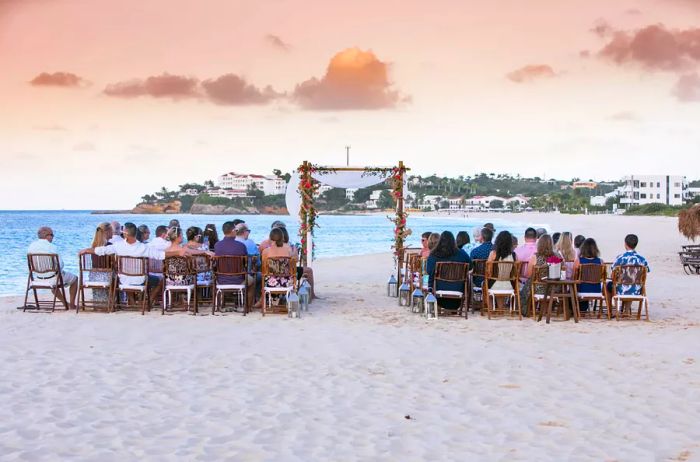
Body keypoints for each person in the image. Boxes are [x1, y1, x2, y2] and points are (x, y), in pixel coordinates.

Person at [80, 223, 185, 305]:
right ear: (135, 234)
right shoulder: (143, 247)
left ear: (125, 234)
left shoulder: (118, 246)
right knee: (161, 280)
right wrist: (178, 252)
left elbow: (101, 250)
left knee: (126, 277)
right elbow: (160, 255)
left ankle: (132, 300)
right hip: (140, 280)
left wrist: (86, 250)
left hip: (124, 280)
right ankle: (149, 301)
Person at [27, 226, 78, 309]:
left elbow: (29, 264)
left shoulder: (31, 246)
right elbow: (60, 265)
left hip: (38, 279)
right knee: (75, 279)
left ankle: (65, 303)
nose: (52, 237)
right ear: (47, 236)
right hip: (53, 279)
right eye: (52, 235)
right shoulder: (52, 247)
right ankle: (71, 304)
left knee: (55, 279)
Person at [426, 231, 471, 310]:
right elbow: (470, 266)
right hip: (458, 293)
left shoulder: (434, 254)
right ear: (454, 241)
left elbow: (429, 271)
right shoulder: (462, 254)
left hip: (439, 294)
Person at [214, 221, 255, 307]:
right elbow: (245, 263)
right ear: (233, 231)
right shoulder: (241, 246)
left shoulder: (217, 245)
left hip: (221, 280)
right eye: (236, 230)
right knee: (253, 281)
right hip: (239, 280)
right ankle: (248, 306)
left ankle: (219, 304)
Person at [520, 234, 557, 314]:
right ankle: (545, 310)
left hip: (538, 288)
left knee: (526, 288)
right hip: (553, 288)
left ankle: (529, 310)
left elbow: (529, 274)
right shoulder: (557, 256)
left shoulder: (535, 257)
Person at [487, 231, 517, 308]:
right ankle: (500, 308)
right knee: (500, 284)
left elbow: (489, 271)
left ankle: (490, 309)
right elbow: (515, 273)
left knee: (485, 284)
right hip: (509, 285)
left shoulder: (493, 254)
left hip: (494, 285)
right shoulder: (514, 255)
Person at [573, 238, 603, 312]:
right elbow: (602, 276)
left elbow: (574, 277)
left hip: (582, 290)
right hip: (597, 290)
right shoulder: (601, 262)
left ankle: (579, 308)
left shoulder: (579, 261)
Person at [88, 222, 113, 303]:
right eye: (111, 230)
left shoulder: (93, 246)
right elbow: (113, 265)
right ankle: (115, 302)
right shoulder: (109, 246)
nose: (113, 232)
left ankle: (99, 302)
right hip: (106, 277)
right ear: (107, 232)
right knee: (120, 276)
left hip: (93, 277)